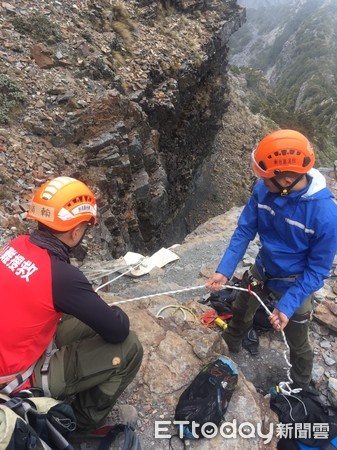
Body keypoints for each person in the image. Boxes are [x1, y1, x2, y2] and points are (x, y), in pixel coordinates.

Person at [0, 176, 143, 436]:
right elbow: (117, 332)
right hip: (16, 379)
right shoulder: (62, 277)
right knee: (130, 347)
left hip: (10, 354)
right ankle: (78, 427)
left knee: (75, 318)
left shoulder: (16, 245)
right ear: (75, 231)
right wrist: (117, 315)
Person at [206, 129, 337, 389]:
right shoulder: (264, 190)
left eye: (266, 177)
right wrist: (225, 269)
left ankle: (300, 384)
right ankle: (231, 343)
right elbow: (245, 229)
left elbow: (316, 271)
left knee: (297, 337)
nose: (260, 180)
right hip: (263, 270)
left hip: (294, 283)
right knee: (243, 306)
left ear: (286, 178)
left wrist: (287, 305)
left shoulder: (326, 216)